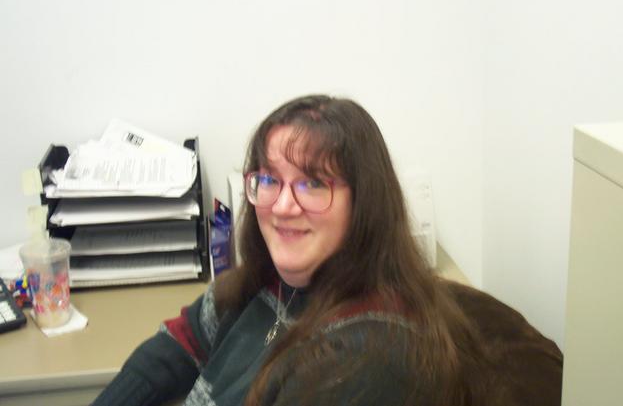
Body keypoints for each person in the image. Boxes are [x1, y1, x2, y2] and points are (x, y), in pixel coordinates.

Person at [93, 95, 485, 406]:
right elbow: (183, 339)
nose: (282, 206)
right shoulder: (272, 280)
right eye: (269, 179)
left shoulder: (366, 362)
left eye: (313, 183)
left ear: (364, 204)